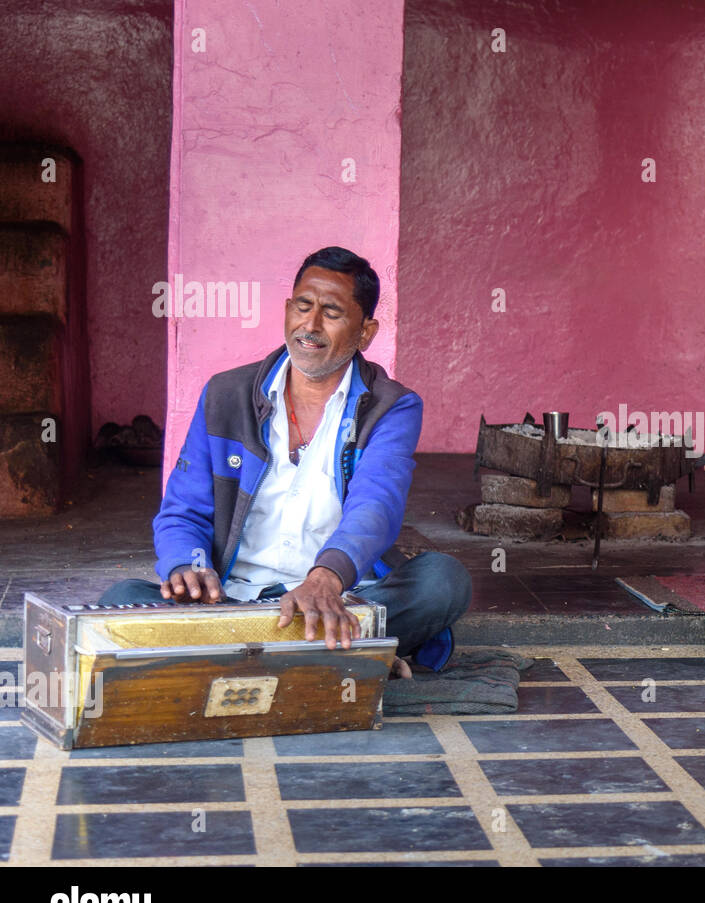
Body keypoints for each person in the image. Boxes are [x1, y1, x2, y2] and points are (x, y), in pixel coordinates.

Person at [99, 247, 471, 674]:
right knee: (120, 598)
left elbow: (377, 506)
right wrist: (189, 567)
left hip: (341, 598)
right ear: (287, 309)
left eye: (331, 312)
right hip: (233, 600)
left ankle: (240, 659)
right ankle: (337, 657)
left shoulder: (391, 407)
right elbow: (182, 511)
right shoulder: (226, 395)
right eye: (303, 306)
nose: (310, 326)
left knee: (443, 581)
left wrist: (325, 579)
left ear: (365, 333)